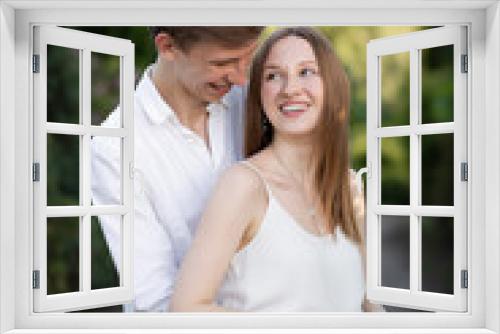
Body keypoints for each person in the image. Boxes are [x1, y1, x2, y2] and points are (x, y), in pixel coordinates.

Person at [170, 27, 375, 312]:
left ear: (333, 86)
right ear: (259, 97)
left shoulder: (349, 186)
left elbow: (368, 303)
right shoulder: (244, 185)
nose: (290, 88)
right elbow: (187, 308)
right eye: (273, 76)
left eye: (306, 72)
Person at [91, 27, 263, 312]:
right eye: (222, 64)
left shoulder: (250, 104)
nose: (242, 78)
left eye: (249, 57)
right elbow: (155, 300)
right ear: (168, 46)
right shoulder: (116, 147)